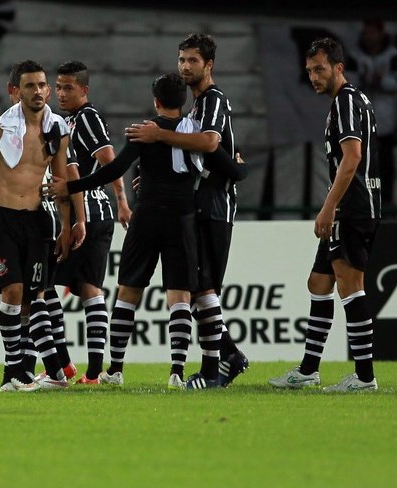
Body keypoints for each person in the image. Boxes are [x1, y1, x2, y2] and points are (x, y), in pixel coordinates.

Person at [48, 73, 240, 389]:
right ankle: (177, 372)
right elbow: (228, 168)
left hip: (148, 214)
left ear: (155, 101)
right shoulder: (197, 132)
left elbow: (113, 169)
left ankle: (116, 369)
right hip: (183, 217)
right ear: (183, 102)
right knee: (178, 293)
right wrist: (239, 166)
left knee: (129, 290)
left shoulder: (144, 131)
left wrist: (71, 185)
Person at [125, 33, 249, 389]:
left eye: (193, 60)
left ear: (208, 65)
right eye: (181, 60)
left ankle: (214, 370)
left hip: (214, 206)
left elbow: (210, 142)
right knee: (198, 288)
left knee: (203, 287)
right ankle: (226, 357)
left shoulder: (213, 99)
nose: (184, 66)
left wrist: (158, 136)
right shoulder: (194, 106)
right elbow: (204, 157)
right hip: (198, 204)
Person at [268, 37, 381, 392]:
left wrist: (328, 207)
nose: (314, 77)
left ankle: (365, 377)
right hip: (353, 205)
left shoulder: (346, 101)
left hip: (352, 207)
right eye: (309, 71)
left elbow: (352, 158)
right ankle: (308, 370)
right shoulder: (354, 99)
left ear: (338, 68)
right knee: (319, 283)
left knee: (350, 287)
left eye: (320, 69)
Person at [0, 59, 75, 392]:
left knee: (33, 298)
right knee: (12, 293)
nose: (37, 92)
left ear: (48, 89)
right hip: (1, 218)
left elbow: (63, 180)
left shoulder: (58, 129)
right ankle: (14, 372)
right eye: (29, 86)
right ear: (16, 91)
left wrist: (67, 226)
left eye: (41, 85)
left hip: (37, 219)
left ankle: (43, 373)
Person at [53, 60, 133, 385]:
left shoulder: (87, 117)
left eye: (68, 87)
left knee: (74, 289)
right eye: (58, 86)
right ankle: (77, 369)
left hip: (89, 213)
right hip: (80, 212)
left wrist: (123, 202)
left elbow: (109, 159)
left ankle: (83, 370)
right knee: (78, 289)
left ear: (84, 90)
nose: (61, 93)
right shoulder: (65, 121)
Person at [345, 18, 397, 216]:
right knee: (360, 163)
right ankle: (362, 204)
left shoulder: (392, 55)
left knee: (385, 165)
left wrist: (380, 80)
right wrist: (366, 79)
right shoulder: (356, 56)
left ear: (381, 34)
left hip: (385, 120)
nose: (369, 37)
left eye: (373, 32)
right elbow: (348, 82)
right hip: (361, 120)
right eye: (367, 32)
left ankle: (387, 204)